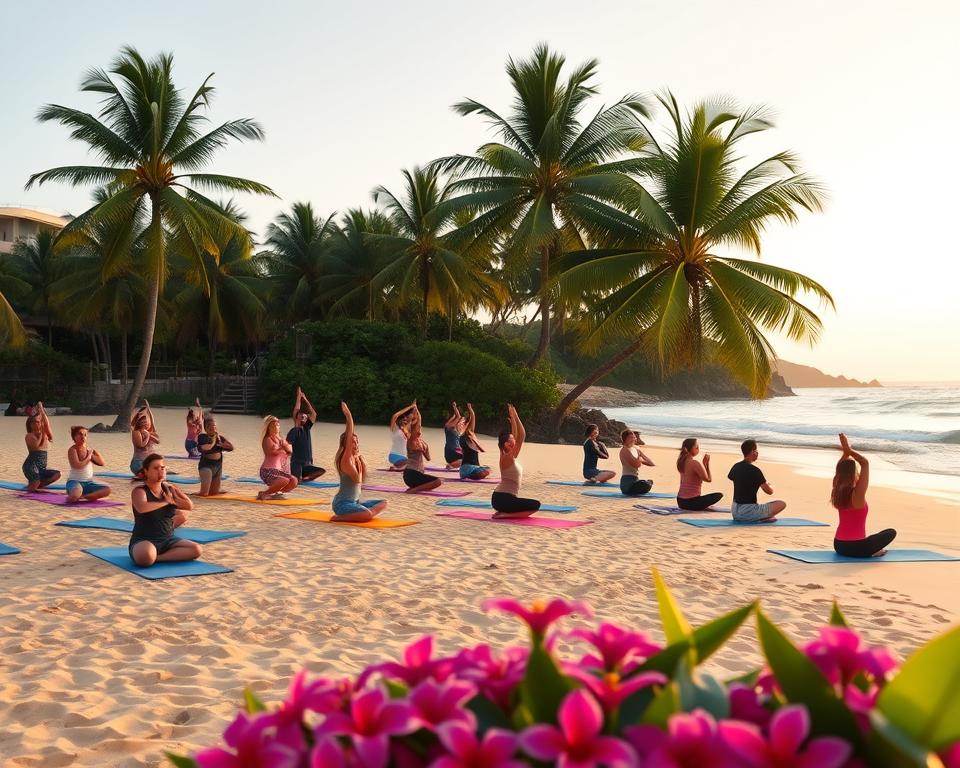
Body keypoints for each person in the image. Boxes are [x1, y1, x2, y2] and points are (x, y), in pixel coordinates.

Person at [129, 454, 202, 567]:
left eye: (162, 468)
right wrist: (165, 502)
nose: (160, 471)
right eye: (155, 468)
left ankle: (158, 558)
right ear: (146, 471)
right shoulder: (140, 491)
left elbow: (189, 506)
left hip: (167, 539)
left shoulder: (169, 490)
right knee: (146, 557)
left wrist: (177, 492)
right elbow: (142, 507)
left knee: (196, 549)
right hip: (144, 540)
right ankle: (153, 557)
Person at [831, 433, 896, 557]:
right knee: (891, 532)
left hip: (839, 545)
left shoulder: (837, 490)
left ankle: (871, 548)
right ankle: (874, 552)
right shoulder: (857, 494)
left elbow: (840, 470)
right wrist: (849, 451)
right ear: (854, 474)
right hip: (857, 547)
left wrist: (846, 452)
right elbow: (864, 463)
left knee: (874, 536)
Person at [332, 401, 387, 522]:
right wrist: (348, 415)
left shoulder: (356, 459)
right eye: (353, 442)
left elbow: (360, 480)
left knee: (383, 503)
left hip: (354, 503)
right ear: (346, 444)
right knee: (367, 515)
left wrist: (358, 458)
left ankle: (365, 514)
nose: (356, 444)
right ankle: (339, 518)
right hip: (342, 504)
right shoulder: (346, 459)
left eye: (357, 441)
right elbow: (357, 480)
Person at [491, 404, 540, 518]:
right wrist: (514, 417)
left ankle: (504, 512)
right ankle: (504, 515)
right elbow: (520, 436)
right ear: (506, 444)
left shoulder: (507, 455)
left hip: (502, 498)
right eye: (511, 439)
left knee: (531, 504)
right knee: (536, 505)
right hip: (503, 498)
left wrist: (515, 418)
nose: (514, 440)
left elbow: (520, 435)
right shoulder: (506, 456)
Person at [727, 439, 787, 522]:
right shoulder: (755, 471)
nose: (757, 453)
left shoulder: (735, 466)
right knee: (782, 504)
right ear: (752, 452)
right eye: (756, 451)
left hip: (734, 511)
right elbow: (769, 491)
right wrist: (769, 485)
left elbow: (733, 478)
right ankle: (761, 519)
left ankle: (759, 517)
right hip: (747, 512)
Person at [286, 387, 325, 482]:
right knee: (297, 482)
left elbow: (313, 413)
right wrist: (298, 398)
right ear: (296, 418)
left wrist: (305, 398)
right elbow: (296, 410)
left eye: (305, 415)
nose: (303, 416)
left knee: (322, 471)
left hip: (308, 464)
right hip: (297, 464)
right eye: (301, 415)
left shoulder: (307, 428)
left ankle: (304, 479)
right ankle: (299, 479)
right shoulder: (294, 431)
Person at [403, 405, 443, 493]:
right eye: (417, 429)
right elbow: (417, 422)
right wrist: (415, 410)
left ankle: (414, 488)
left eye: (420, 429)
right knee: (438, 481)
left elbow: (428, 458)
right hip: (410, 473)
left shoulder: (422, 442)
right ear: (411, 431)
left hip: (417, 475)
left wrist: (426, 448)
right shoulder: (410, 440)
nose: (419, 431)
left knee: (434, 483)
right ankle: (414, 490)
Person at [676, 438, 724, 511]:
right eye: (696, 447)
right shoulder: (694, 463)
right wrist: (706, 464)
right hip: (691, 502)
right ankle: (698, 506)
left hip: (680, 501)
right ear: (690, 449)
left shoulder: (681, 462)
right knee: (719, 495)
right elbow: (708, 479)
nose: (698, 449)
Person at [22, 401, 61, 492]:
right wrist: (43, 433)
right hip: (30, 466)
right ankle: (31, 490)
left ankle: (38, 485)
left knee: (57, 474)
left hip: (41, 468)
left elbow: (47, 424)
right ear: (30, 425)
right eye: (35, 422)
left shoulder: (45, 434)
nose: (38, 424)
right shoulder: (29, 436)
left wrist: (42, 410)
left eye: (39, 422)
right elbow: (37, 445)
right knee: (35, 481)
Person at [65, 426, 111, 502]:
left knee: (107, 490)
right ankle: (75, 494)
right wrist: (89, 457)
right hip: (74, 481)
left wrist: (93, 454)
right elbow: (77, 465)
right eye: (80, 434)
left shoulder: (89, 450)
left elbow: (102, 463)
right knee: (75, 495)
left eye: (85, 435)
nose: (83, 436)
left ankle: (83, 496)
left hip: (88, 483)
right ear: (74, 437)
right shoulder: (72, 450)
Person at [258, 415, 298, 500]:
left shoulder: (280, 439)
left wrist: (285, 447)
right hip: (267, 470)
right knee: (284, 480)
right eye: (273, 425)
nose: (276, 427)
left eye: (277, 425)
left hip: (278, 470)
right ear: (268, 427)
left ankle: (277, 494)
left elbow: (290, 452)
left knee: (294, 480)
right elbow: (271, 453)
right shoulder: (267, 439)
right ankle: (264, 493)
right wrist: (282, 447)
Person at [197, 415, 234, 497]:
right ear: (205, 429)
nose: (212, 428)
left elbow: (231, 447)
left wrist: (224, 445)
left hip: (218, 467)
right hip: (206, 467)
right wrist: (214, 441)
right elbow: (206, 448)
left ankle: (215, 489)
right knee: (204, 494)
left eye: (214, 426)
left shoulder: (220, 438)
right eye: (209, 427)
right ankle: (197, 493)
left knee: (214, 493)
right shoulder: (202, 437)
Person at [458, 402, 491, 480]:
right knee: (487, 470)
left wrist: (470, 410)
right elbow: (472, 420)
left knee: (487, 468)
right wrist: (470, 410)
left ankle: (471, 475)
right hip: (469, 469)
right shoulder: (467, 435)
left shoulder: (464, 436)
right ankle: (472, 476)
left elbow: (472, 419)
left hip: (464, 470)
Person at [618, 430, 655, 496]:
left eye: (634, 437)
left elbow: (651, 463)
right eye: (630, 438)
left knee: (649, 482)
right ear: (625, 439)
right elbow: (637, 465)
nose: (633, 439)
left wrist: (640, 456)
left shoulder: (636, 449)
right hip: (627, 483)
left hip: (635, 480)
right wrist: (640, 459)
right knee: (645, 484)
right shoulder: (624, 450)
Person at [130, 401, 160, 475]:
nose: (145, 423)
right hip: (139, 463)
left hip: (150, 464)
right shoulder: (136, 432)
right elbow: (140, 445)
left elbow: (158, 441)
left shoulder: (150, 432)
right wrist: (147, 437)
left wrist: (149, 409)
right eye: (142, 421)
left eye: (146, 421)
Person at [387, 401, 416, 469]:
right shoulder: (395, 429)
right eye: (402, 419)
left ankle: (397, 466)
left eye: (405, 419)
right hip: (394, 456)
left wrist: (414, 408)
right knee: (414, 464)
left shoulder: (406, 430)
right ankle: (398, 467)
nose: (405, 420)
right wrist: (410, 407)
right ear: (399, 420)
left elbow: (411, 418)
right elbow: (395, 415)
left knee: (415, 461)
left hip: (403, 458)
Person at [443, 402, 464, 469]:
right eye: (461, 422)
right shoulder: (448, 426)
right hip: (451, 451)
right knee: (467, 459)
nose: (461, 424)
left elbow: (456, 416)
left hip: (453, 452)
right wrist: (454, 407)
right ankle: (451, 465)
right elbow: (458, 416)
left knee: (468, 457)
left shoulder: (456, 431)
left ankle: (452, 465)